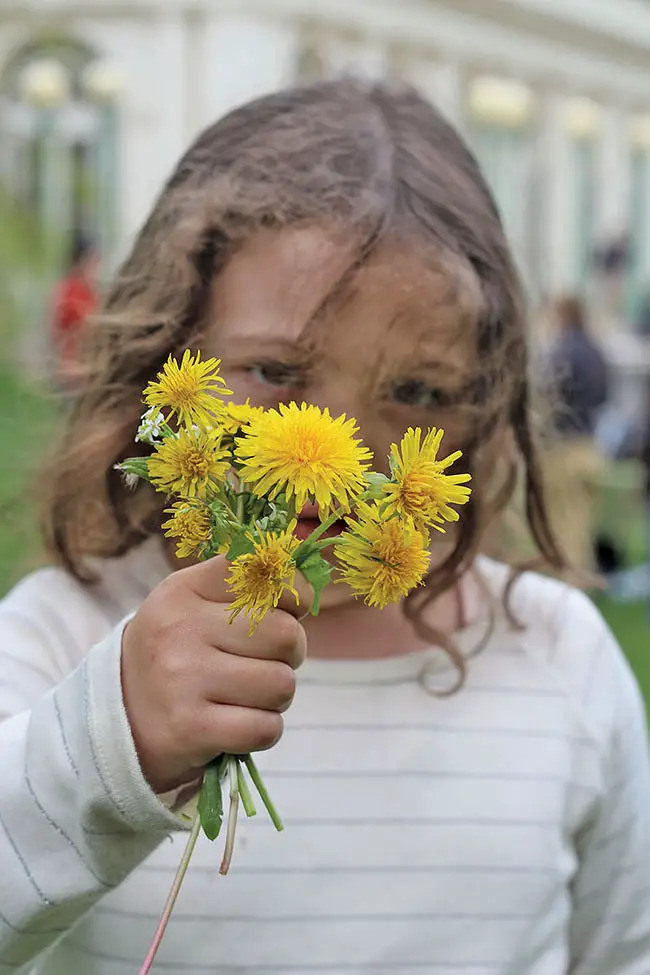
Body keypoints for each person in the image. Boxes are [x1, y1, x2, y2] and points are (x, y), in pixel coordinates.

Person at [1, 80, 648, 975]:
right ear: (167, 357)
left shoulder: (562, 658)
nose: (348, 448)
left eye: (417, 392)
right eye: (275, 370)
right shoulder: (61, 638)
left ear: (480, 407)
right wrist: (117, 745)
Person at [543, 294, 610, 574]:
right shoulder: (597, 352)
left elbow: (545, 396)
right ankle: (584, 582)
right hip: (591, 447)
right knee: (583, 524)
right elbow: (605, 396)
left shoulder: (561, 353)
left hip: (564, 449)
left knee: (564, 525)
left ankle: (569, 585)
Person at [50, 231, 99, 394]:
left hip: (87, 372)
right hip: (72, 373)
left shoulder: (90, 292)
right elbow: (59, 331)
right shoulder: (69, 292)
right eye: (93, 260)